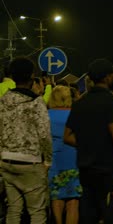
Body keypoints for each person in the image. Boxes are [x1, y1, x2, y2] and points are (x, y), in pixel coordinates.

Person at [63, 58, 113, 224]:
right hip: (108, 170)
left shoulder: (80, 103)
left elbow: (67, 136)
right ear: (107, 78)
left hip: (86, 170)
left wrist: (87, 143)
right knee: (110, 215)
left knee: (88, 214)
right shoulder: (110, 101)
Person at [0, 56, 52, 224]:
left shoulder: (3, 100)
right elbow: (44, 134)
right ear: (31, 76)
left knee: (13, 210)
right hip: (30, 161)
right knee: (36, 211)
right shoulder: (36, 102)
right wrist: (48, 161)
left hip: (7, 160)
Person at [48, 85, 82, 224]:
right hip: (73, 160)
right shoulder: (76, 114)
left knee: (56, 199)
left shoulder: (46, 115)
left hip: (54, 161)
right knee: (73, 202)